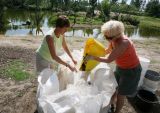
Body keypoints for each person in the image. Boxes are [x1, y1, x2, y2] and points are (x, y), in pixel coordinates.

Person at [85, 20, 142, 113]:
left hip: (131, 71)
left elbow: (108, 60)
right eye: (105, 36)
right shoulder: (113, 39)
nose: (107, 39)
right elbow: (107, 51)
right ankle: (111, 103)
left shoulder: (124, 43)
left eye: (108, 37)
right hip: (120, 67)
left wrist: (93, 57)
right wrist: (93, 49)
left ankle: (117, 111)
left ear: (117, 35)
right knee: (115, 86)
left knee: (121, 94)